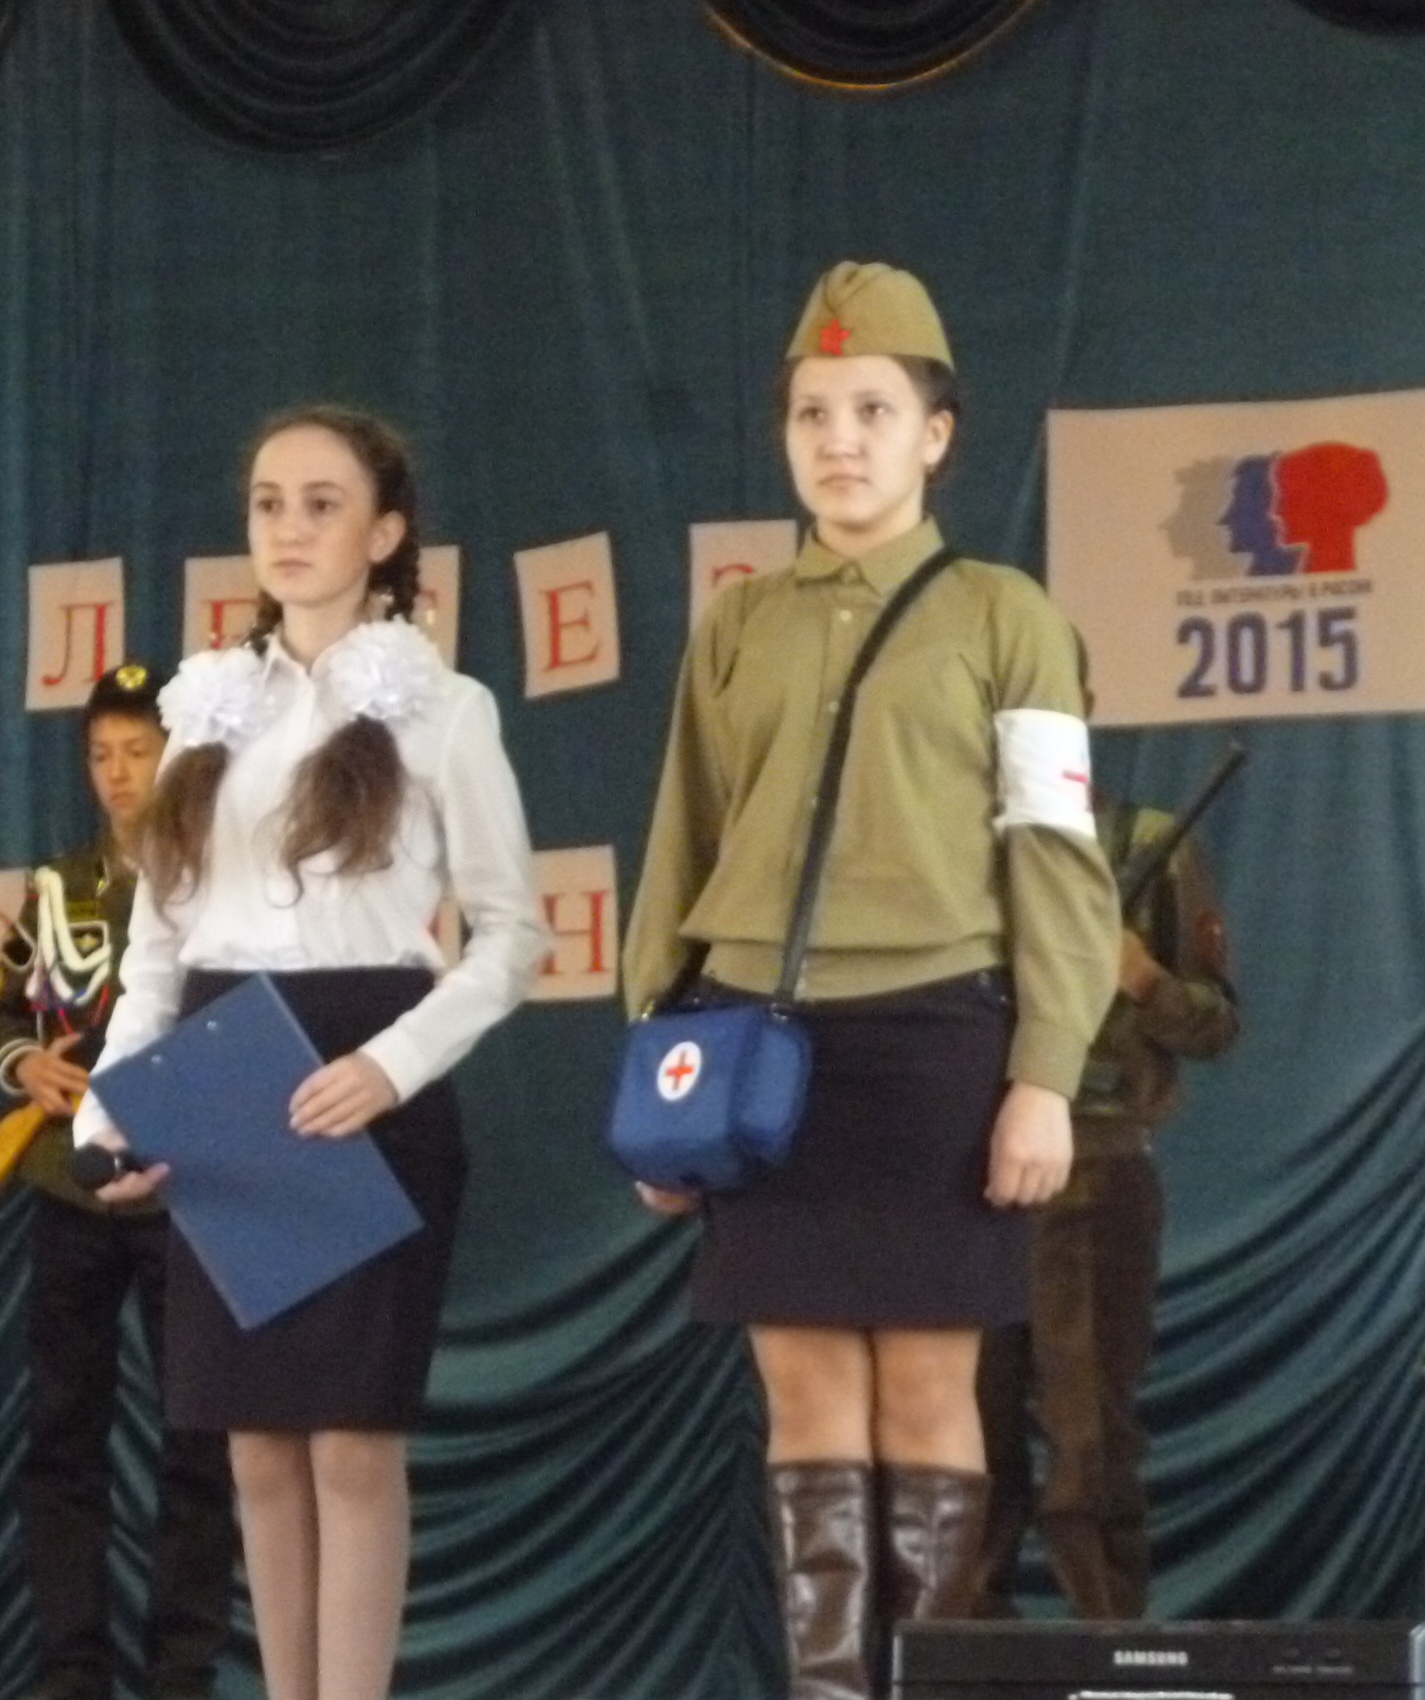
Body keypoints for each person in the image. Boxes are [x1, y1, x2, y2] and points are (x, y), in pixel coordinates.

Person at [621, 261, 1120, 1700]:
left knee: (925, 1392)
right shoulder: (739, 623)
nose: (839, 440)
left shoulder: (1007, 615)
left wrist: (1044, 1073)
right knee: (805, 1403)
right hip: (755, 1046)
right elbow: (681, 841)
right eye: (812, 413)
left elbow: (1056, 857)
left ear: (935, 434)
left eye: (873, 410)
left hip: (936, 1042)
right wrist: (659, 1072)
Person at [74, 404, 547, 1700]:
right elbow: (159, 945)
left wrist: (392, 1064)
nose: (288, 528)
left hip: (365, 1070)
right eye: (268, 503)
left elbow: (512, 935)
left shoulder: (445, 709)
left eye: (322, 503)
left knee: (349, 1441)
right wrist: (111, 1110)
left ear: (385, 533)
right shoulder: (205, 708)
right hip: (223, 1065)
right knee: (258, 1449)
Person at [0, 662, 237, 1700]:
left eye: (138, 751)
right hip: (71, 1185)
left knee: (199, 1440)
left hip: (184, 1189)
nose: (119, 773)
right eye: (102, 754)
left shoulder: (219, 879)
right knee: (62, 1436)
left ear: (174, 758)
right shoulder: (58, 887)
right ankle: (71, 1670)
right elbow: (4, 1011)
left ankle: (182, 1673)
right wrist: (25, 1067)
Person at [970, 796, 1239, 1621]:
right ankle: (961, 1658)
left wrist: (1144, 979)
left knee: (1089, 1442)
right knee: (964, 1451)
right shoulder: (941, 837)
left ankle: (1113, 1648)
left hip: (1093, 1175)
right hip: (958, 1182)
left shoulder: (1142, 842)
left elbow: (1217, 1026)